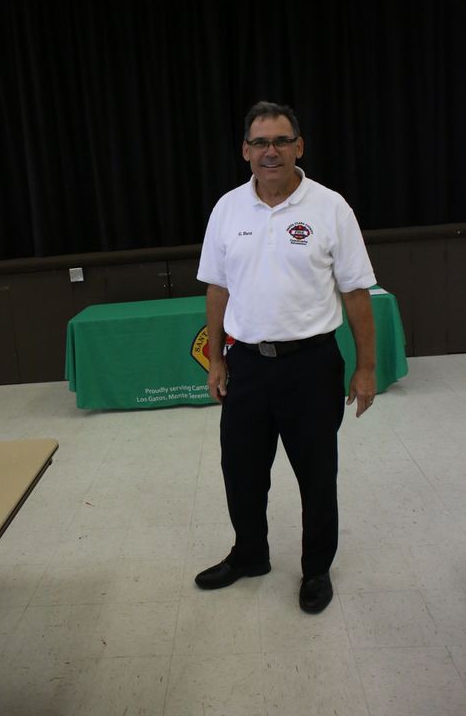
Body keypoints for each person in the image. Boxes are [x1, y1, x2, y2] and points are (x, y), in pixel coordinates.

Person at [195, 101, 376, 613]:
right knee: (241, 470)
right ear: (245, 151)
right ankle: (250, 554)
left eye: (280, 141)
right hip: (247, 365)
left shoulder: (331, 208)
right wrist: (216, 360)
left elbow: (356, 292)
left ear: (299, 146)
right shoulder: (227, 209)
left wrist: (366, 367)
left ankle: (316, 568)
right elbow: (217, 289)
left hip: (311, 366)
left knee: (316, 475)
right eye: (259, 142)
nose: (269, 151)